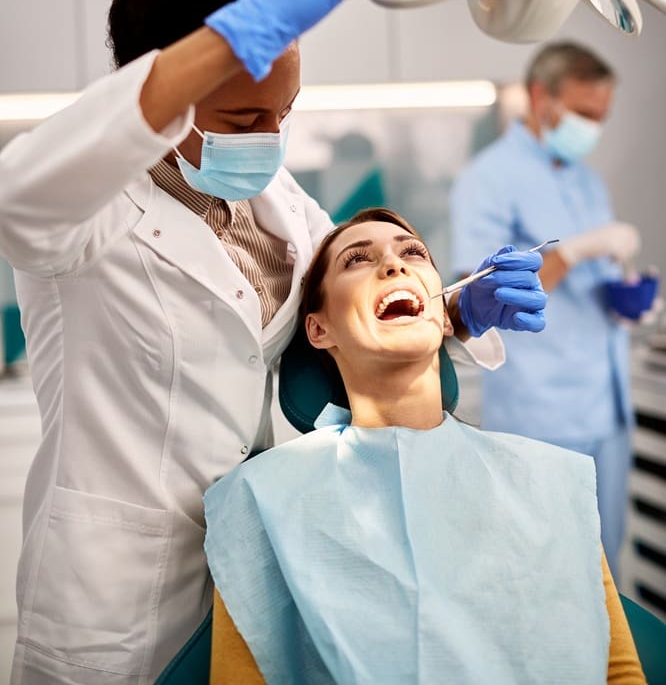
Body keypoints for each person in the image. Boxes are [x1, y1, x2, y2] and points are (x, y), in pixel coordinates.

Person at [0, 0, 545, 684]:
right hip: (118, 607)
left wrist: (456, 310)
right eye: (247, 121)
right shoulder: (88, 211)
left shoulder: (275, 200)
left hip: (259, 562)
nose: (273, 139)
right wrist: (240, 30)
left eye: (285, 114)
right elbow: (17, 195)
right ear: (175, 88)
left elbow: (347, 301)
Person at [203, 208, 645, 684]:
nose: (395, 265)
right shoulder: (261, 504)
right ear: (318, 329)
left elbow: (617, 670)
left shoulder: (548, 481)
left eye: (412, 253)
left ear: (447, 314)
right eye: (356, 260)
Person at [449, 41, 642, 581]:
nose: (592, 127)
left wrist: (626, 302)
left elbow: (592, 287)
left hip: (606, 403)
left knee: (607, 567)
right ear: (541, 98)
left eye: (600, 117)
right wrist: (575, 250)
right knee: (549, 571)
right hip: (543, 411)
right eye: (583, 114)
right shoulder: (487, 179)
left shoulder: (586, 180)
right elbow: (485, 295)